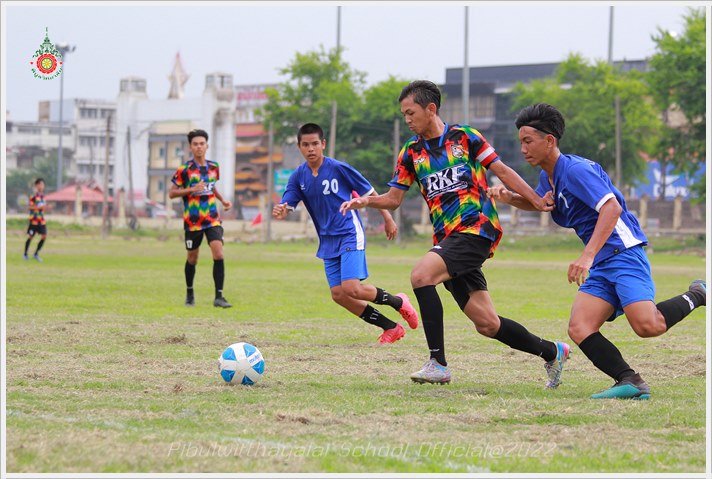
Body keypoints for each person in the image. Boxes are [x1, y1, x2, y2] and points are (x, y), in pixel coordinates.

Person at [339, 81, 569, 386]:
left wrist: (538, 199)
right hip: (448, 241)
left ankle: (438, 363)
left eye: (411, 113)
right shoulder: (411, 152)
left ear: (430, 109)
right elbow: (394, 199)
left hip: (476, 229)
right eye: (403, 114)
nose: (407, 119)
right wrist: (367, 201)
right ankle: (553, 352)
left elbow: (503, 171)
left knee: (421, 276)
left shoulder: (465, 137)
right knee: (487, 324)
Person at [487, 102, 707, 399]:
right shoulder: (547, 176)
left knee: (647, 325)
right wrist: (509, 197)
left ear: (549, 140)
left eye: (528, 141)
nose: (523, 149)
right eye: (521, 142)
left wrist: (587, 256)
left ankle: (698, 294)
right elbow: (543, 203)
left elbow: (612, 208)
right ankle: (629, 381)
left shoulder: (576, 170)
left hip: (622, 251)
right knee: (580, 327)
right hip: (603, 259)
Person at [272, 122, 419, 344]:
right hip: (327, 240)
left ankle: (398, 302)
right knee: (339, 295)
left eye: (314, 144)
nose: (310, 149)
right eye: (305, 145)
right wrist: (282, 209)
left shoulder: (339, 168)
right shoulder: (298, 176)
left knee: (352, 288)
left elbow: (370, 193)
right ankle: (390, 328)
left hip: (349, 233)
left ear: (323, 144)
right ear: (299, 147)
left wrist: (387, 218)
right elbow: (288, 202)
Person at [169, 129, 233, 308]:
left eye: (202, 144)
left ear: (207, 146)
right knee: (192, 258)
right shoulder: (184, 170)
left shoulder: (214, 167)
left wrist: (223, 200)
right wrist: (191, 189)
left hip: (212, 218)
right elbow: (172, 193)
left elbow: (211, 187)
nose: (199, 147)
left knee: (218, 253)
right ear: (190, 147)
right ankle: (190, 294)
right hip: (193, 220)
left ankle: (219, 297)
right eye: (195, 144)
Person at [24, 178, 47, 262]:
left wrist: (45, 208)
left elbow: (42, 207)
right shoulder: (33, 196)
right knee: (30, 237)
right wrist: (38, 207)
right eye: (41, 184)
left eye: (43, 185)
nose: (42, 186)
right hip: (34, 220)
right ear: (37, 185)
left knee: (44, 236)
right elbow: (29, 207)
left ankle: (36, 254)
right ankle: (25, 254)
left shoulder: (43, 196)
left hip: (41, 220)